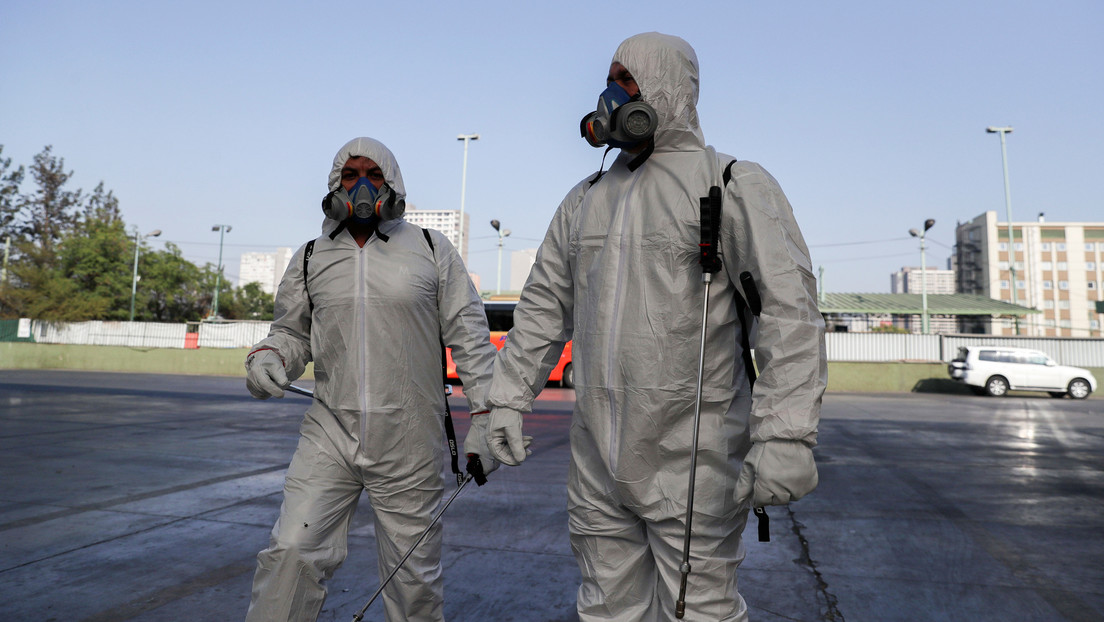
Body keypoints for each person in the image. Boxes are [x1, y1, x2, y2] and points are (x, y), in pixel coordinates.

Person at [483, 33, 827, 621]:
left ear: (668, 87)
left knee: (701, 612)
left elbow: (787, 316)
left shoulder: (732, 185)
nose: (612, 94)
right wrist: (503, 404)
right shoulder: (585, 199)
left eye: (627, 79)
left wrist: (787, 435)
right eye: (610, 79)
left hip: (695, 459)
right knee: (606, 610)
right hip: (597, 461)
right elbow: (542, 311)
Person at [243, 137, 499, 622]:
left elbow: (470, 334)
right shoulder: (310, 258)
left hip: (409, 436)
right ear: (335, 185)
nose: (362, 186)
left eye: (374, 175)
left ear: (393, 183)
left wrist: (486, 415)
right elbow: (291, 332)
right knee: (291, 552)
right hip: (330, 433)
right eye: (350, 175)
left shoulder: (430, 248)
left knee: (413, 580)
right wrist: (270, 355)